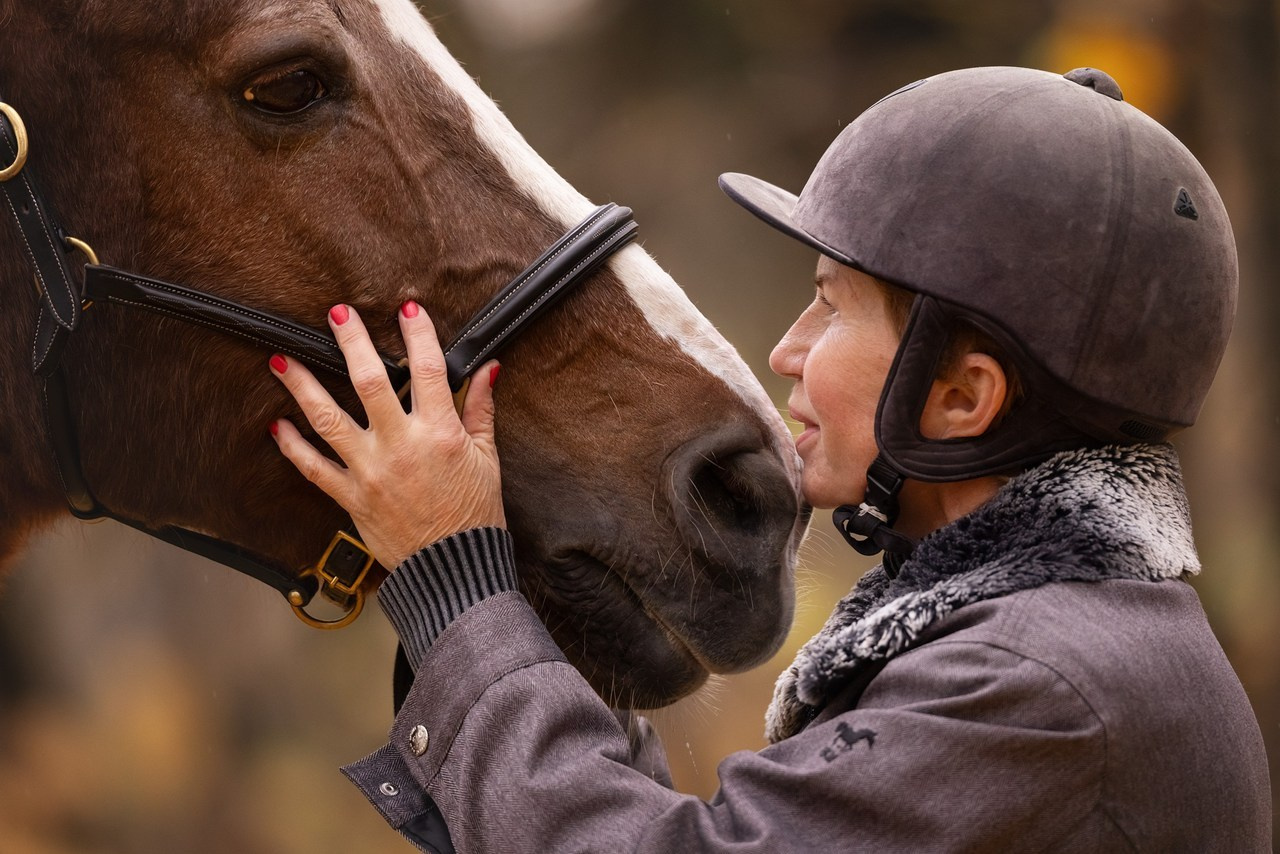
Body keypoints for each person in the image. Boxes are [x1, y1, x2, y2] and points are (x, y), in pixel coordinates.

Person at [267, 66, 1271, 852]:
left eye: (831, 304)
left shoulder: (1041, 689)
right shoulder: (1068, 647)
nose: (787, 347)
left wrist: (455, 582)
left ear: (961, 394)